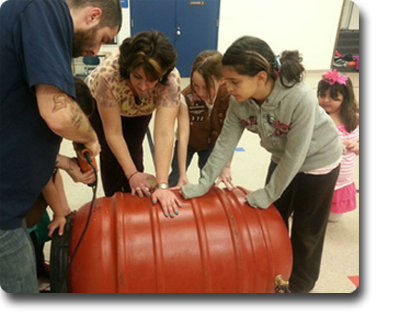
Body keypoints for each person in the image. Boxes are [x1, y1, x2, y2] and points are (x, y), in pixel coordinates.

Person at [181, 36, 343, 293]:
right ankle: (276, 269)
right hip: (282, 159)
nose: (229, 88)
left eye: (234, 82)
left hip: (319, 161)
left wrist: (268, 192)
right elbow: (225, 142)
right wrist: (204, 183)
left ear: (260, 76)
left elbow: (296, 154)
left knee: (306, 231)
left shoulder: (299, 97)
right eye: (226, 81)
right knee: (274, 218)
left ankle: (301, 285)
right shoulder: (239, 101)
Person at [0, 0, 122, 293]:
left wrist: (66, 164)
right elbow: (58, 114)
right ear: (93, 15)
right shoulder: (44, 11)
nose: (96, 51)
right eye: (103, 39)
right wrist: (91, 138)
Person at [86, 30, 182, 218]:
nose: (144, 86)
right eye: (138, 77)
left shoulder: (170, 80)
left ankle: (135, 203)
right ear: (129, 68)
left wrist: (162, 185)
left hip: (140, 108)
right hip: (103, 104)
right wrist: (131, 174)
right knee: (112, 157)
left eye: (152, 79)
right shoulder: (108, 75)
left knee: (134, 149)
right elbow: (113, 133)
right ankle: (114, 204)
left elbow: (164, 133)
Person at [168, 51, 233, 188]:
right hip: (188, 144)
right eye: (195, 85)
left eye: (206, 87)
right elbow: (183, 137)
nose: (200, 92)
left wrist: (226, 166)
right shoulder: (186, 96)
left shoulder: (229, 97)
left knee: (208, 179)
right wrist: (182, 175)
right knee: (175, 177)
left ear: (222, 81)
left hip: (211, 145)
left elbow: (230, 135)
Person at [317, 70, 359, 222]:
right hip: (320, 176)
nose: (326, 100)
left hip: (342, 180)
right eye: (322, 95)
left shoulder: (355, 120)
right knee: (311, 212)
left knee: (334, 218)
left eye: (333, 97)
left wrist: (356, 146)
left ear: (345, 98)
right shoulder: (318, 118)